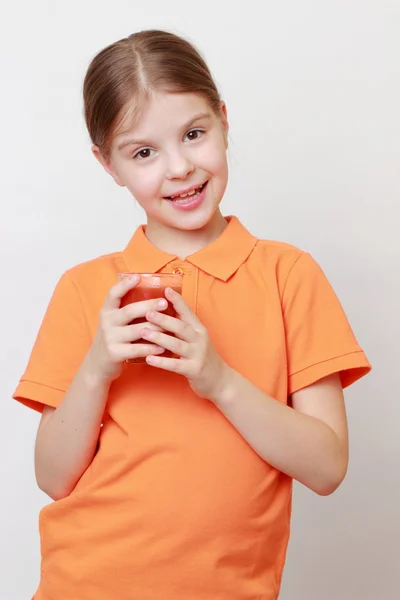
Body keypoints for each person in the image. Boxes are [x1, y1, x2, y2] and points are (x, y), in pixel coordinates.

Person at [13, 29, 371, 600]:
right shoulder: (86, 290)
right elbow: (53, 479)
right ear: (108, 165)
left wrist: (219, 380)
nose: (179, 168)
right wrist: (97, 368)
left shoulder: (288, 275)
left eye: (194, 134)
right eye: (144, 152)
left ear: (224, 122)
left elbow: (327, 467)